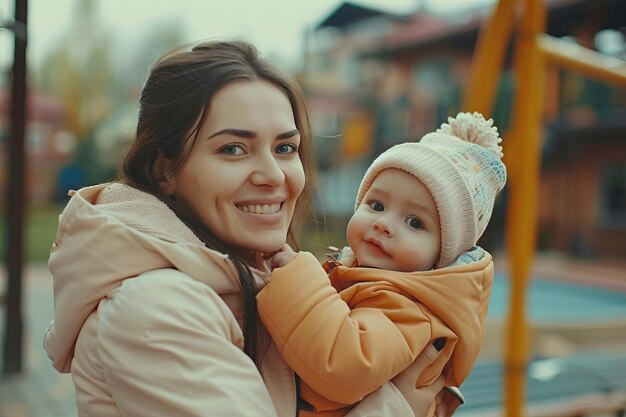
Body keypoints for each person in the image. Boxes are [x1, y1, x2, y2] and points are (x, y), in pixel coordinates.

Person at [43, 39, 461, 417]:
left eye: (285, 148)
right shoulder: (157, 309)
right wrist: (398, 405)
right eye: (233, 149)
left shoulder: (263, 279)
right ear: (163, 168)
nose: (273, 175)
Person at [257, 112, 507, 416]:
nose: (384, 224)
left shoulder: (412, 311)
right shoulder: (363, 279)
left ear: (441, 256)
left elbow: (347, 363)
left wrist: (296, 280)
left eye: (414, 222)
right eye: (376, 205)